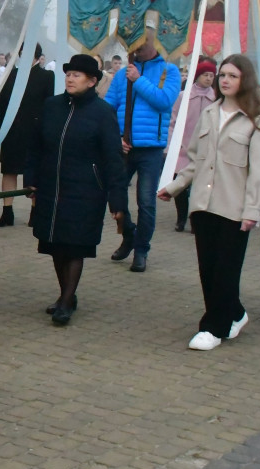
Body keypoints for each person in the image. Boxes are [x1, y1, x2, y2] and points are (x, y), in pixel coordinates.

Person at [160, 55, 260, 350]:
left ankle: (213, 327)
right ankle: (234, 313)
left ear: (244, 80)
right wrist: (174, 187)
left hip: (234, 209)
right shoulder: (210, 113)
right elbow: (195, 158)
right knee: (208, 269)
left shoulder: (257, 122)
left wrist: (253, 210)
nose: (224, 80)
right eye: (222, 75)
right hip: (203, 205)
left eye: (232, 76)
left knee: (226, 270)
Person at [25, 55, 127, 325]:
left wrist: (118, 201)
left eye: (78, 75)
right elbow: (36, 144)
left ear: (92, 81)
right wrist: (31, 177)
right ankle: (65, 294)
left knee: (75, 246)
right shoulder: (52, 106)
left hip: (86, 190)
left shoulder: (103, 113)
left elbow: (113, 158)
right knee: (56, 245)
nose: (70, 78)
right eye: (69, 73)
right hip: (51, 186)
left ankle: (67, 301)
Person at [103, 24, 181, 272]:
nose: (137, 48)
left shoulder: (169, 71)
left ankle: (141, 249)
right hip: (124, 147)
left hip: (151, 149)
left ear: (154, 43)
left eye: (143, 43)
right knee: (113, 194)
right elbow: (109, 109)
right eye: (133, 44)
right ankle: (129, 234)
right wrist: (117, 137)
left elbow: (164, 101)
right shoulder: (120, 74)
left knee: (146, 201)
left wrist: (138, 80)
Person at [0, 43, 54, 228]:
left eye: (27, 54)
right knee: (9, 170)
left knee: (33, 173)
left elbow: (49, 104)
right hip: (12, 131)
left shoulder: (46, 76)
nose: (23, 57)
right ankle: (7, 211)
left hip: (35, 133)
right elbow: (2, 103)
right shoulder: (12, 75)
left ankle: (35, 212)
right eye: (21, 54)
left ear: (37, 56)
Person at [167, 57, 217, 232]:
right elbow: (172, 121)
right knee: (180, 184)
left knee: (200, 185)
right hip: (184, 147)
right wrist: (172, 144)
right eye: (205, 75)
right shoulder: (184, 96)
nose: (209, 78)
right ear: (197, 76)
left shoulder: (216, 98)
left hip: (206, 148)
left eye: (211, 75)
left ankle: (195, 219)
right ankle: (181, 217)